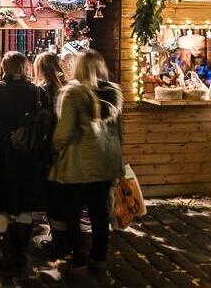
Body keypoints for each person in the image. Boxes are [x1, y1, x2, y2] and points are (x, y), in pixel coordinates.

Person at [50, 50, 123, 272]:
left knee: (72, 212)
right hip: (106, 162)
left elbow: (63, 133)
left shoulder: (72, 93)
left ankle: (78, 256)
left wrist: (54, 148)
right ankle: (99, 257)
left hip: (78, 163)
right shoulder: (114, 92)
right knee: (100, 212)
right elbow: (120, 132)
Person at [0, 52, 49, 276]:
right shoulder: (37, 91)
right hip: (29, 155)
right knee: (24, 204)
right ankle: (20, 253)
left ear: (4, 67)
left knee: (2, 205)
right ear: (25, 67)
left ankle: (8, 255)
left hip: (2, 153)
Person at [34, 51, 68, 252]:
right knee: (62, 194)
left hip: (48, 148)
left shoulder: (42, 91)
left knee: (52, 195)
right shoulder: (66, 89)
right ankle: (63, 237)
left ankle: (58, 241)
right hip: (64, 146)